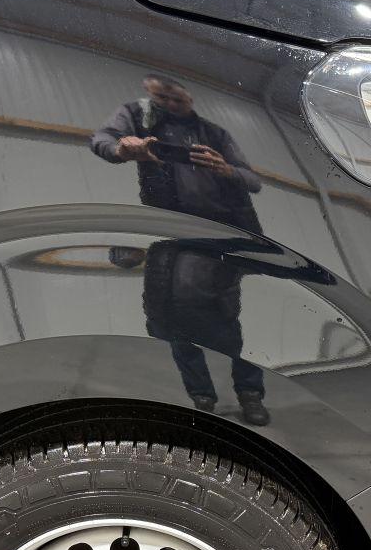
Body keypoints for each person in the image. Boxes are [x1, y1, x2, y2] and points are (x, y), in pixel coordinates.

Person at [91, 74, 269, 425]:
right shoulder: (140, 119)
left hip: (220, 235)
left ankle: (250, 393)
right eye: (163, 98)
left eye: (178, 100)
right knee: (171, 320)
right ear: (151, 95)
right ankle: (202, 397)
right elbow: (102, 140)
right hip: (169, 233)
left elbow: (253, 181)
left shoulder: (215, 134)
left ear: (190, 98)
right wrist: (123, 149)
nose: (171, 106)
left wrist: (226, 169)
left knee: (226, 318)